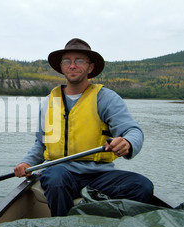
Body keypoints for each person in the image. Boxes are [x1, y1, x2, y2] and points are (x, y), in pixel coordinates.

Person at [13, 38, 154, 216]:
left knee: (142, 186)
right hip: (61, 173)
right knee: (55, 177)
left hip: (99, 176)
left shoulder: (106, 98)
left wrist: (127, 142)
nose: (72, 66)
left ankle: (106, 226)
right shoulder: (48, 102)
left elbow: (132, 131)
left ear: (90, 67)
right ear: (62, 67)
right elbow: (41, 144)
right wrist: (27, 163)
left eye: (79, 61)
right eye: (67, 61)